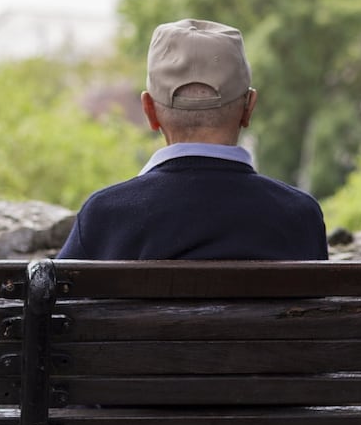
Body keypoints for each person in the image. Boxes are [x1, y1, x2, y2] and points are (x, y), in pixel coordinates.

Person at [57, 18, 328, 260]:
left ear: (149, 111)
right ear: (248, 108)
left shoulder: (105, 216)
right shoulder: (300, 216)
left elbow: (53, 306)